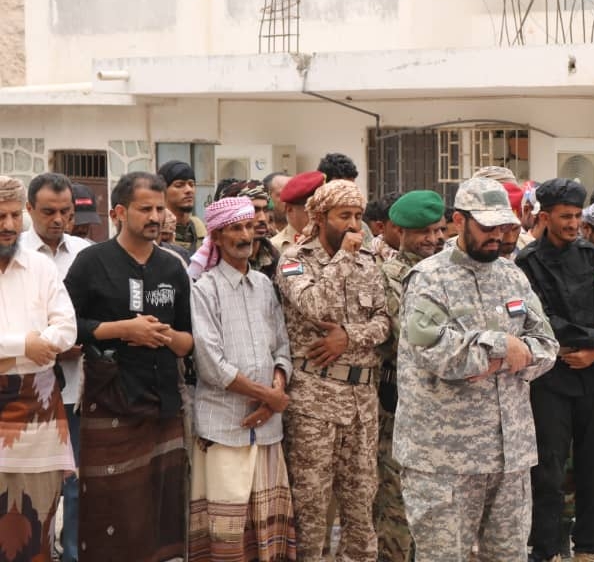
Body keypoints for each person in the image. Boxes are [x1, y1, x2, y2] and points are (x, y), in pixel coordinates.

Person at [395, 177, 558, 562]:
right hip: (444, 460)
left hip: (510, 455)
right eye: (487, 226)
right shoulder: (429, 278)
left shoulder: (512, 276)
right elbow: (434, 351)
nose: (497, 235)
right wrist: (502, 346)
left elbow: (547, 347)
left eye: (503, 226)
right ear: (458, 221)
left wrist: (500, 358)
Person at [64, 171, 193, 561]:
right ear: (119, 212)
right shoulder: (91, 262)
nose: (155, 217)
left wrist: (162, 336)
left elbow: (187, 342)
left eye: (159, 209)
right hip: (111, 401)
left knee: (161, 508)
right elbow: (66, 327)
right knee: (111, 508)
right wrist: (123, 330)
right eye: (144, 209)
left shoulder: (173, 267)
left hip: (163, 404)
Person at [275, 179, 390, 560]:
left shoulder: (368, 261)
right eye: (344, 216)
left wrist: (348, 337)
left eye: (358, 215)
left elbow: (384, 323)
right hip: (314, 401)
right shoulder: (294, 260)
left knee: (360, 506)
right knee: (310, 507)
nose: (354, 224)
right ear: (321, 217)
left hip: (362, 403)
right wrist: (342, 258)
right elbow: (317, 306)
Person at [189, 196, 297, 560]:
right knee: (227, 529)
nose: (246, 236)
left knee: (266, 528)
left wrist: (276, 391)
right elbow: (211, 365)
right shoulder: (204, 288)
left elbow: (282, 346)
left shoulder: (265, 285)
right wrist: (269, 397)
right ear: (217, 237)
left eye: (249, 227)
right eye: (236, 228)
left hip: (267, 429)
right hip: (224, 425)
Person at [516, 178, 594, 562]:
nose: (574, 224)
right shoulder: (526, 263)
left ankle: (588, 548)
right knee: (548, 472)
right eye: (565, 217)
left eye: (578, 216)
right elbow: (540, 319)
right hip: (551, 380)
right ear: (545, 217)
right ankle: (545, 549)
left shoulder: (593, 258)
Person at [0, 176, 77, 561]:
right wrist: (23, 346)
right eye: (1, 216)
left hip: (40, 413)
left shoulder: (41, 267)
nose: (9, 225)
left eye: (15, 215)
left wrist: (16, 353)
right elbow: (42, 342)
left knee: (39, 522)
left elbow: (66, 328)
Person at [20, 172, 91, 562]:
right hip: (27, 389)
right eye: (49, 211)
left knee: (76, 480)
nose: (59, 219)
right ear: (30, 209)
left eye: (66, 211)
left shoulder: (85, 253)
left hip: (78, 388)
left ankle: (73, 552)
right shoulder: (14, 255)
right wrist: (51, 347)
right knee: (29, 482)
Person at [375, 190, 447, 562]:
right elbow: (411, 338)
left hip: (448, 406)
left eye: (439, 230)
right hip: (401, 403)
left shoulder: (454, 274)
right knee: (397, 501)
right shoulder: (388, 277)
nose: (434, 239)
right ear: (400, 232)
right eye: (424, 232)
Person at [212, 179, 280, 278]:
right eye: (254, 210)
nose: (262, 218)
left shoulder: (275, 256)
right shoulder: (212, 261)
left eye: (265, 210)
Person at [159, 160, 207, 254]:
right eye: (179, 185)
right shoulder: (157, 231)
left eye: (191, 184)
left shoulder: (200, 229)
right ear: (163, 190)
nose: (189, 190)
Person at [270, 171, 324, 253]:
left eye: (323, 211)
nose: (318, 217)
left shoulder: (331, 241)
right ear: (290, 210)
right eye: (311, 211)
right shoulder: (274, 247)